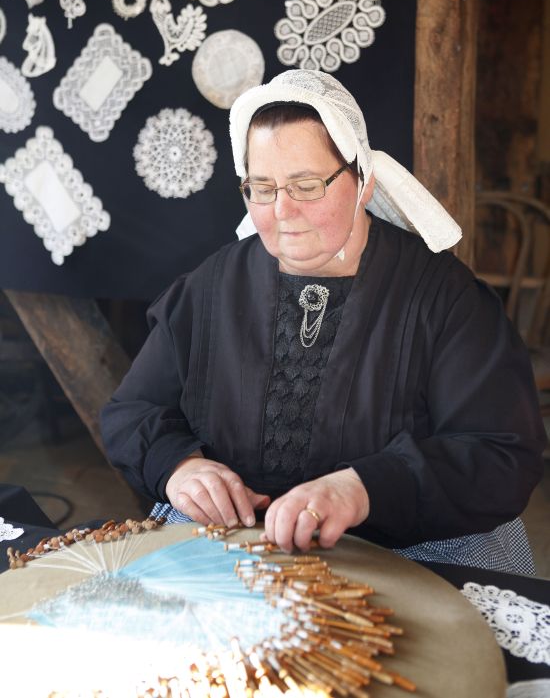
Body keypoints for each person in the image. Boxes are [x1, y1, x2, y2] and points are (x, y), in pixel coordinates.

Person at [100, 69, 546, 573]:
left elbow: (500, 454)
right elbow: (132, 410)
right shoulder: (211, 287)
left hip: (413, 550)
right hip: (238, 543)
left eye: (306, 186)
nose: (282, 210)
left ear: (363, 182)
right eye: (262, 188)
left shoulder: (443, 297)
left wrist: (362, 489)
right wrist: (182, 467)